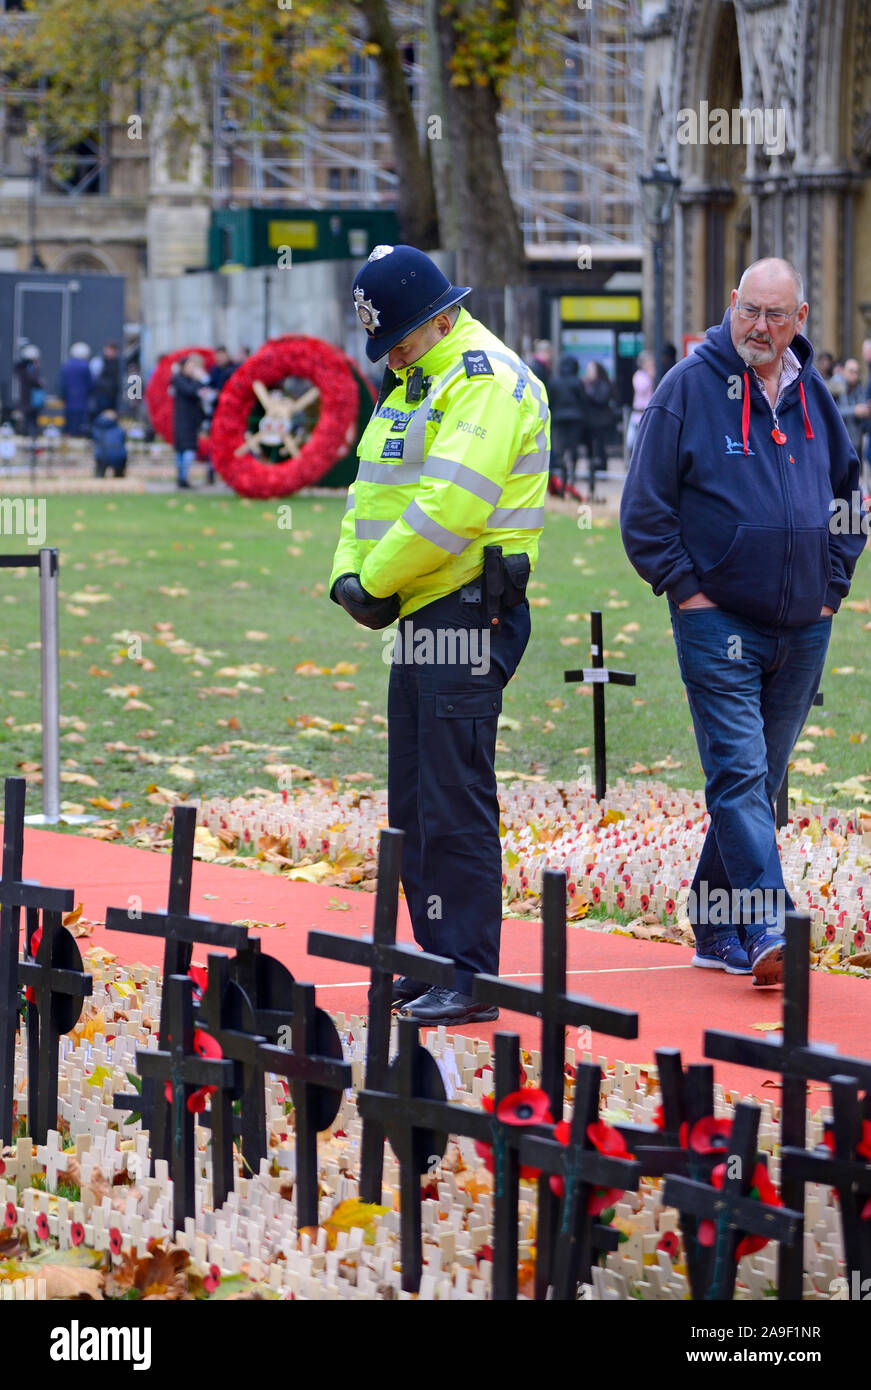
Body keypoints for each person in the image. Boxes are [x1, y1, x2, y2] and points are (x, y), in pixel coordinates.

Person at [620, 257, 865, 986]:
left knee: (756, 781)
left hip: (802, 624)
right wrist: (686, 592)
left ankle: (713, 920)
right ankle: (764, 924)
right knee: (738, 772)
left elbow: (850, 494)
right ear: (731, 305)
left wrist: (832, 588)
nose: (759, 328)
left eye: (775, 316)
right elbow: (644, 509)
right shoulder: (687, 388)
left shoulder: (811, 393)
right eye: (748, 311)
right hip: (716, 621)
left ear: (799, 319)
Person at [330, 244, 549, 1024]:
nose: (388, 351)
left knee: (454, 797)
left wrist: (374, 582)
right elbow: (371, 492)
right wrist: (346, 575)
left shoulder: (481, 381)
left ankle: (467, 972)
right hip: (420, 608)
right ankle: (431, 957)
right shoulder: (416, 380)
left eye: (399, 335)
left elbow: (450, 507)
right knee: (416, 797)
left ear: (442, 316)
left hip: (464, 607)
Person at [170, 353, 212, 488]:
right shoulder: (179, 380)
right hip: (183, 420)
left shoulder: (190, 380)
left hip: (192, 420)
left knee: (188, 448)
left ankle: (184, 477)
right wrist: (199, 380)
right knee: (184, 449)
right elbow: (190, 391)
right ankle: (182, 478)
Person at [546, 354, 585, 497]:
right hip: (575, 419)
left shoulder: (555, 381)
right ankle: (571, 476)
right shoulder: (577, 382)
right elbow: (583, 401)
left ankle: (562, 481)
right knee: (573, 450)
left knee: (559, 450)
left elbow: (550, 400)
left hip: (558, 419)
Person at [579, 360, 614, 491]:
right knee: (591, 447)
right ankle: (592, 471)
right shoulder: (588, 384)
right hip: (590, 421)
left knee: (600, 447)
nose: (588, 373)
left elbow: (601, 399)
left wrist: (588, 393)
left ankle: (601, 470)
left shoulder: (603, 384)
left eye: (591, 370)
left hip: (601, 421)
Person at [836, 358, 870, 482]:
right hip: (838, 443)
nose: (854, 375)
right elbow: (832, 411)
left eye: (857, 372)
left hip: (856, 443)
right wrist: (854, 410)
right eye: (851, 371)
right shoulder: (836, 387)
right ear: (843, 371)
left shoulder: (860, 389)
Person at [58, 342, 92, 437]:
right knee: (79, 422)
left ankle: (68, 435)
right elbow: (90, 383)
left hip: (69, 399)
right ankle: (77, 435)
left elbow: (61, 383)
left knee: (68, 420)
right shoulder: (85, 366)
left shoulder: (66, 365)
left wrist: (62, 395)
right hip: (81, 399)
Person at [625, 350, 655, 461]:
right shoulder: (639, 376)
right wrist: (650, 376)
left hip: (649, 411)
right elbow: (641, 389)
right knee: (635, 440)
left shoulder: (653, 374)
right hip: (639, 413)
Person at [13, 344, 44, 438]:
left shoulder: (23, 368)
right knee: (30, 419)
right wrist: (40, 382)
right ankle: (30, 434)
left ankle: (30, 433)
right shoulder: (28, 368)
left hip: (28, 398)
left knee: (30, 418)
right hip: (29, 398)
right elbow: (33, 380)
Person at [91, 408, 127, 478]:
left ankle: (99, 477)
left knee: (99, 471)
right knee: (119, 474)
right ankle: (119, 478)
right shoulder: (120, 429)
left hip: (102, 456)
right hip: (119, 456)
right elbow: (123, 440)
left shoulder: (96, 428)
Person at [90, 342, 121, 419]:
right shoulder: (98, 361)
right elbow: (93, 377)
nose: (112, 353)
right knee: (100, 416)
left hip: (112, 395)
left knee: (112, 417)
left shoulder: (116, 362)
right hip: (101, 395)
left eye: (114, 351)